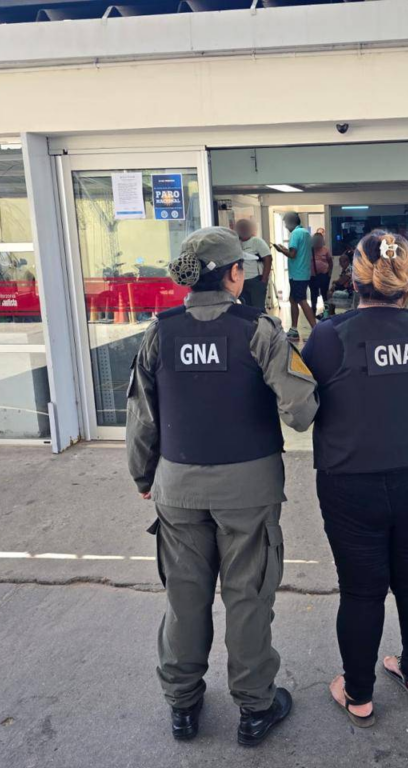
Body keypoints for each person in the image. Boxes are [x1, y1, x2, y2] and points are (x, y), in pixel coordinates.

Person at [126, 227, 318, 748]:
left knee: (184, 598)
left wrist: (143, 476)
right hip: (248, 492)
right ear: (235, 273)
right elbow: (301, 411)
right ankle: (255, 709)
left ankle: (183, 706)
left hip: (178, 489)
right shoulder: (260, 330)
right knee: (248, 598)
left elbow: (142, 417)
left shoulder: (159, 331)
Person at [302, 231, 408, 728]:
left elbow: (302, 407)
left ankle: (359, 696)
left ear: (353, 279)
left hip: (351, 483)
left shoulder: (328, 335)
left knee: (360, 591)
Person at [271, 212, 318, 340]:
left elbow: (292, 254)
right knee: (292, 300)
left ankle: (316, 330)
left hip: (298, 274)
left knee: (302, 300)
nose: (286, 226)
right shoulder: (305, 232)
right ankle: (294, 329)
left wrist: (281, 250)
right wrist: (285, 249)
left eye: (286, 223)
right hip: (303, 272)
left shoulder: (295, 234)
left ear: (291, 222)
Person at [234, 219, 272, 310]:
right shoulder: (236, 243)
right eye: (240, 228)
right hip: (241, 282)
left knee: (258, 309)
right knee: (246, 309)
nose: (242, 230)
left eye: (244, 227)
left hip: (255, 280)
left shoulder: (257, 241)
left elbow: (268, 259)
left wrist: (264, 280)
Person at [309, 231, 333, 317]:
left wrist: (329, 274)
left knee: (324, 295)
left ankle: (326, 313)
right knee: (313, 295)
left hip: (324, 276)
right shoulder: (310, 250)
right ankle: (313, 313)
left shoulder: (325, 250)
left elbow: (330, 262)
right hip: (313, 277)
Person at [327, 250, 354, 316]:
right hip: (346, 289)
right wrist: (335, 284)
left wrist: (334, 283)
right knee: (331, 291)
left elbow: (341, 282)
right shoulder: (345, 269)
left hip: (349, 292)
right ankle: (330, 312)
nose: (340, 264)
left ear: (347, 261)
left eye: (341, 262)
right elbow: (340, 281)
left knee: (330, 293)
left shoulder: (349, 269)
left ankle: (330, 313)